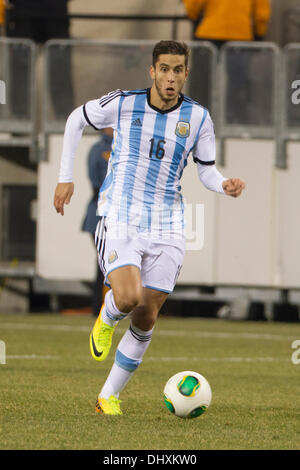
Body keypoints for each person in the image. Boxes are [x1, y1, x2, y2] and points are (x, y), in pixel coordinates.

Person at [53, 40, 245, 416]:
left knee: (146, 315)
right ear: (152, 72)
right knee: (127, 298)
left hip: (168, 222)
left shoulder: (199, 118)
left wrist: (222, 183)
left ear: (186, 74)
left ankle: (108, 396)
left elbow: (205, 169)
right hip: (121, 214)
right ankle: (107, 316)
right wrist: (65, 178)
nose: (170, 77)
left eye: (178, 70)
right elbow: (76, 118)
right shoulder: (124, 103)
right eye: (164, 69)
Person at [182, 0, 271, 120]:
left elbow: (193, 6)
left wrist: (194, 17)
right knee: (238, 83)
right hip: (240, 34)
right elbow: (261, 14)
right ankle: (234, 121)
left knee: (202, 81)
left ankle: (197, 119)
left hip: (209, 31)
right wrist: (260, 33)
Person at [5, 0, 74, 119]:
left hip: (54, 13)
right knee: (20, 73)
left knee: (60, 71)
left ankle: (65, 123)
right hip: (24, 14)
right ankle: (19, 122)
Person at [81, 128, 113, 317]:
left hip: (115, 214)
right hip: (100, 215)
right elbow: (95, 182)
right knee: (105, 263)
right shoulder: (99, 150)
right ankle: (100, 308)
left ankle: (109, 307)